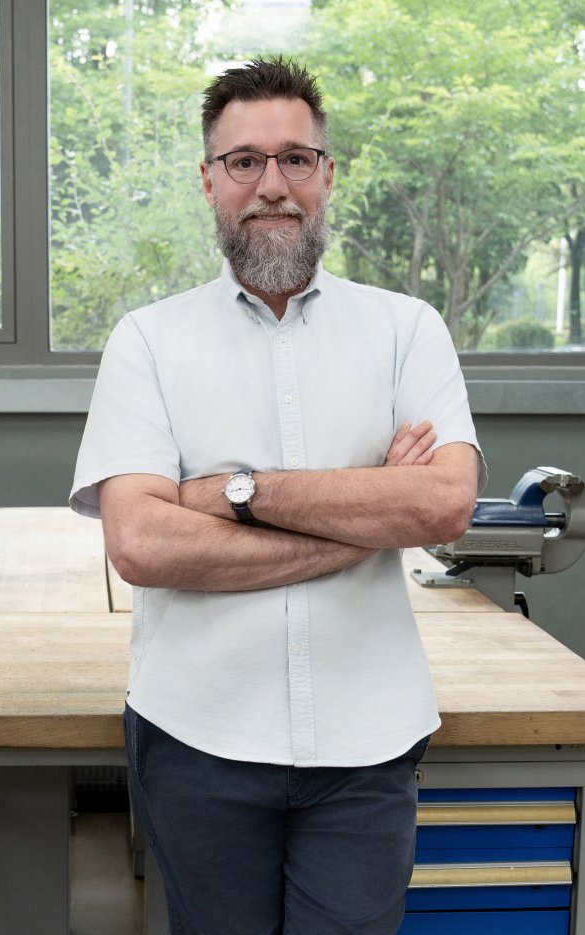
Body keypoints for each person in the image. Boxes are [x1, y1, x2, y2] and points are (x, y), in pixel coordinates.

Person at [70, 56, 486, 934]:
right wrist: (368, 515)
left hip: (368, 741)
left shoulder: (408, 329)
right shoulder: (147, 341)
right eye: (245, 162)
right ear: (209, 180)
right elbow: (144, 545)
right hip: (198, 735)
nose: (273, 185)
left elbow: (444, 504)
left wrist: (236, 491)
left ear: (327, 175)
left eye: (296, 158)